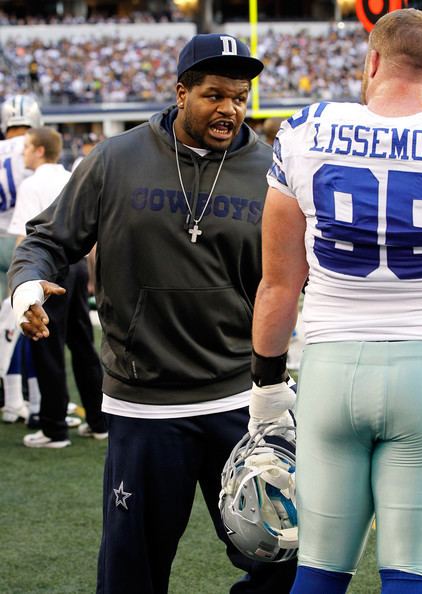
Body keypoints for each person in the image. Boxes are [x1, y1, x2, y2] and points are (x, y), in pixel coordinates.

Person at [8, 34, 296, 593]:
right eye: (215, 95)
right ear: (181, 91)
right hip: (145, 403)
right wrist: (26, 290)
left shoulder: (271, 171)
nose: (230, 109)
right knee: (130, 571)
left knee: (278, 558)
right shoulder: (116, 159)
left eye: (240, 97)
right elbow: (45, 239)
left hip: (239, 398)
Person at [249, 9, 422, 594]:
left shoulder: (306, 131)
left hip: (328, 370)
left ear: (373, 61)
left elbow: (278, 283)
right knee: (410, 579)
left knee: (319, 576)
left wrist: (267, 389)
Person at [8, 126, 107, 448]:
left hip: (47, 273)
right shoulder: (70, 177)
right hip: (77, 266)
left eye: (27, 148)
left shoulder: (32, 184)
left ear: (39, 151)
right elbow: (90, 236)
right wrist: (91, 275)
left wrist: (21, 283)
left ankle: (54, 429)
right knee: (82, 344)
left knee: (47, 347)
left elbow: (28, 241)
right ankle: (97, 420)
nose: (23, 154)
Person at [0, 94, 42, 425]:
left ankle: (13, 398)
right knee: (24, 319)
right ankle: (28, 398)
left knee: (5, 325)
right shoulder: (33, 147)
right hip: (24, 243)